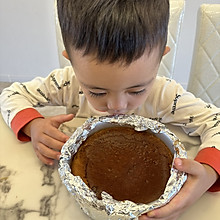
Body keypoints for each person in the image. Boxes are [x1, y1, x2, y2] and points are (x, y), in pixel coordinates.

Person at [0, 0, 219, 219]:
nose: (117, 106)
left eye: (136, 90)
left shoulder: (166, 95)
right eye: (97, 92)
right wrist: (32, 124)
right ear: (72, 62)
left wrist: (208, 172)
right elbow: (10, 95)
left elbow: (215, 121)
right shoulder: (67, 83)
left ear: (161, 56)